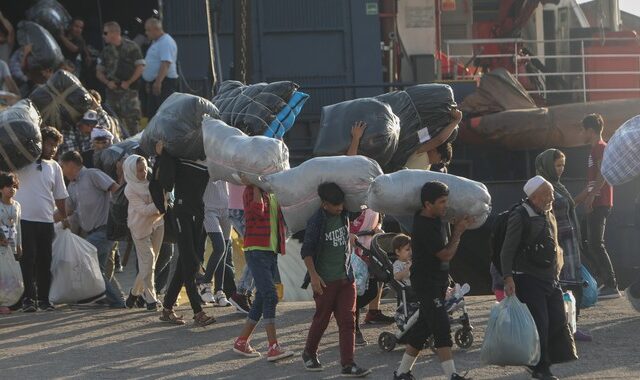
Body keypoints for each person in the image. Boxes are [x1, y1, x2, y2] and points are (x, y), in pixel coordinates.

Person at [393, 181, 471, 380]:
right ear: (428, 204)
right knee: (441, 326)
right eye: (442, 201)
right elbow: (445, 254)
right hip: (427, 283)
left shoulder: (435, 217)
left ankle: (402, 373)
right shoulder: (424, 225)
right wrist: (459, 232)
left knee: (423, 328)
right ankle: (452, 375)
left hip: (437, 280)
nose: (446, 205)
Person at [501, 176, 572, 380]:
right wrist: (507, 278)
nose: (552, 198)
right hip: (528, 278)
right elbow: (507, 250)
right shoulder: (520, 215)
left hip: (550, 278)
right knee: (540, 324)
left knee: (557, 320)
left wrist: (558, 269)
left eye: (551, 193)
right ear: (533, 197)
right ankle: (541, 368)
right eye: (547, 194)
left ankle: (542, 362)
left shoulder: (548, 213)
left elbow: (555, 243)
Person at [300, 182, 371, 377]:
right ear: (324, 204)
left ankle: (348, 364)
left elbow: (362, 204)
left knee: (348, 321)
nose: (339, 207)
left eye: (341, 204)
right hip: (325, 281)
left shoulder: (345, 214)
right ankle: (309, 352)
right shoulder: (316, 221)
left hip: (346, 278)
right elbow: (306, 251)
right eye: (335, 205)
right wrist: (314, 276)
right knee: (322, 319)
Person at [154, 142, 216, 326]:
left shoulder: (207, 157)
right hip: (182, 212)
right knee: (190, 261)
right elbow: (166, 180)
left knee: (186, 262)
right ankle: (198, 312)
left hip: (198, 212)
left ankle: (167, 309)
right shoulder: (179, 156)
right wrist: (162, 154)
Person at [232, 180, 293, 361]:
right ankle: (273, 347)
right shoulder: (251, 191)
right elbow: (255, 213)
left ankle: (242, 341)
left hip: (271, 251)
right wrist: (256, 187)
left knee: (260, 298)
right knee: (270, 295)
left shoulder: (273, 192)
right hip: (256, 250)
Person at [536, 149, 592, 342]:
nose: (560, 169)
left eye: (562, 166)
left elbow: (567, 208)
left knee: (573, 285)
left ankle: (573, 326)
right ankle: (561, 329)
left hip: (570, 242)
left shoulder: (559, 186)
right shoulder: (542, 187)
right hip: (556, 242)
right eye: (557, 165)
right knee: (559, 285)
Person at [61, 151, 125, 308]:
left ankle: (114, 300)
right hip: (91, 233)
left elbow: (116, 189)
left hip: (105, 230)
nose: (61, 170)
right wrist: (46, 220)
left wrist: (119, 213)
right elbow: (67, 211)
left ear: (71, 164)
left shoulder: (92, 175)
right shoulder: (72, 185)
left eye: (62, 166)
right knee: (98, 270)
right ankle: (117, 301)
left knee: (82, 258)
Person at [15, 127, 67, 312]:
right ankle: (29, 299)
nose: (52, 149)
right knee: (27, 260)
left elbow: (60, 196)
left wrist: (64, 217)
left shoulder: (55, 167)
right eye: (49, 144)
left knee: (45, 261)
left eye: (55, 145)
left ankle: (44, 300)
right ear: (39, 142)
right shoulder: (22, 163)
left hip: (46, 222)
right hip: (23, 220)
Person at [574, 113, 620, 299]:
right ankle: (603, 279)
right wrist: (574, 202)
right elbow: (591, 182)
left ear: (590, 131)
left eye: (582, 130)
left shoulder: (600, 148)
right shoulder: (595, 149)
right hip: (596, 200)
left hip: (600, 202)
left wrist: (592, 197)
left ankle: (611, 284)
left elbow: (604, 174)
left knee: (595, 244)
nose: (581, 133)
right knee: (585, 241)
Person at [123, 155, 164, 310]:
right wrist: (162, 203)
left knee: (149, 263)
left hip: (158, 223)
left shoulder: (152, 181)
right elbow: (144, 210)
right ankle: (151, 299)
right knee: (149, 261)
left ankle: (133, 294)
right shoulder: (130, 189)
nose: (143, 173)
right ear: (132, 171)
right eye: (140, 171)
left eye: (145, 169)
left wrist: (163, 202)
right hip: (139, 228)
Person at [96, 21, 145, 137]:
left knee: (133, 123)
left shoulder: (131, 47)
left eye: (105, 33)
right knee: (112, 122)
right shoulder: (106, 51)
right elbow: (99, 72)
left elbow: (140, 67)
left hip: (129, 93)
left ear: (114, 33)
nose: (103, 35)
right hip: (112, 93)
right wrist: (108, 83)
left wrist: (129, 82)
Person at [198, 180, 236, 307]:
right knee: (220, 247)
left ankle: (219, 292)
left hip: (226, 207)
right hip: (209, 208)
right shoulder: (206, 160)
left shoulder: (226, 160)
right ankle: (205, 283)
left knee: (224, 253)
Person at [142, 18, 178, 118]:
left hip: (164, 82)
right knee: (153, 113)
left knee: (163, 112)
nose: (146, 33)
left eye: (148, 30)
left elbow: (165, 63)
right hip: (156, 81)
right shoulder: (156, 41)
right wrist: (149, 80)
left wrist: (158, 82)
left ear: (156, 29)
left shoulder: (166, 42)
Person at [0, 171, 21, 314]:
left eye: (14, 186)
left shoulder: (17, 205)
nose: (11, 189)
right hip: (1, 246)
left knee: (9, 276)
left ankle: (8, 301)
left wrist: (19, 244)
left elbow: (18, 226)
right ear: (1, 188)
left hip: (11, 245)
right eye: (8, 186)